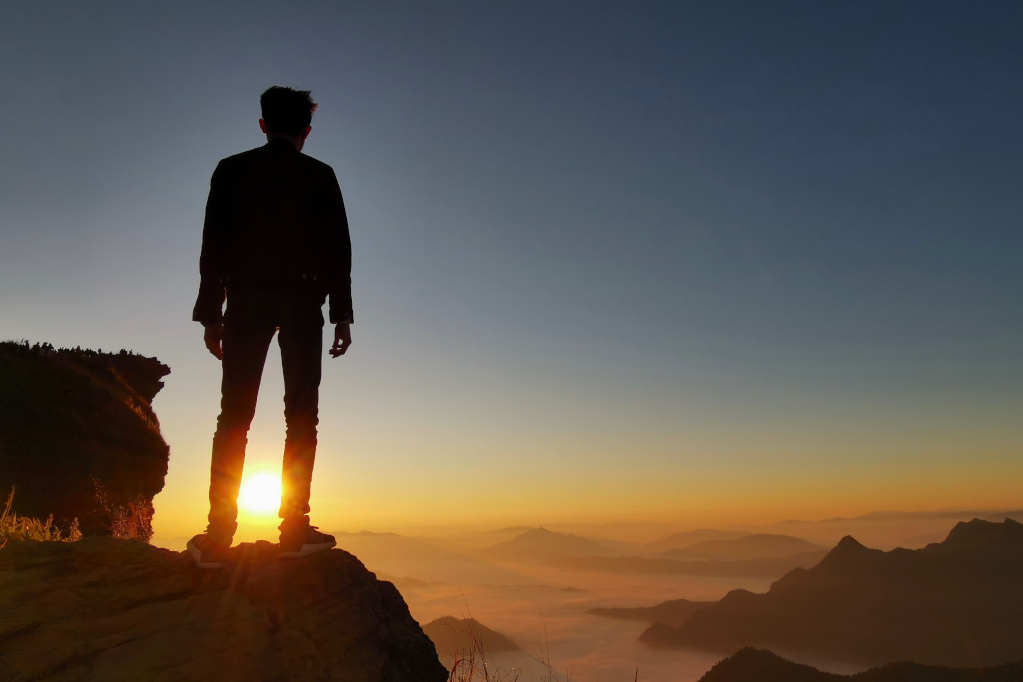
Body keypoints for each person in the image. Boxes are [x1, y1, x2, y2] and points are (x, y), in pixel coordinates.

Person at [187, 86, 353, 568]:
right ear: (306, 130)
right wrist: (341, 313)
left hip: (246, 300)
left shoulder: (231, 170)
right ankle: (294, 530)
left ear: (262, 125)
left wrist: (210, 314)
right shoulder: (320, 175)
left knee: (234, 416)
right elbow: (338, 250)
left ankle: (218, 537)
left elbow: (212, 248)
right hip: (303, 303)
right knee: (302, 416)